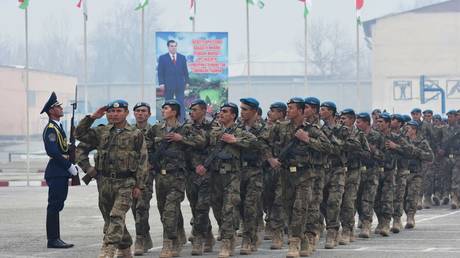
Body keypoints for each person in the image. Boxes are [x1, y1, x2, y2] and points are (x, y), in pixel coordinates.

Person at [75, 100, 149, 258]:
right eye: (111, 112)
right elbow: (79, 134)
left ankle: (108, 248)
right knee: (109, 218)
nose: (114, 115)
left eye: (118, 111)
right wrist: (93, 117)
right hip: (104, 182)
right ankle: (125, 245)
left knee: (116, 215)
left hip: (126, 183)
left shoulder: (135, 134)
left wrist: (139, 186)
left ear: (126, 113)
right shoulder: (101, 132)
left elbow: (143, 161)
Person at [195, 102, 256, 258]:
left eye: (225, 111)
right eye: (220, 111)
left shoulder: (240, 131)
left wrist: (235, 141)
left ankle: (227, 242)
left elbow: (255, 143)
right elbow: (200, 146)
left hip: (232, 176)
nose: (221, 114)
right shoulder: (213, 131)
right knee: (217, 208)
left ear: (233, 115)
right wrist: (200, 165)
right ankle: (227, 232)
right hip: (214, 176)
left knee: (229, 208)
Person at [146, 99, 205, 258]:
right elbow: (146, 145)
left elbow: (201, 142)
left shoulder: (186, 128)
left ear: (174, 112)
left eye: (166, 108)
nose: (163, 110)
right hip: (160, 176)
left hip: (178, 176)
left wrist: (182, 139)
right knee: (163, 210)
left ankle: (169, 243)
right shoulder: (156, 128)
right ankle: (178, 234)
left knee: (170, 210)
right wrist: (150, 161)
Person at [40, 92, 76, 249]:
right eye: (58, 106)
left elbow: (63, 148)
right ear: (51, 110)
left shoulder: (57, 126)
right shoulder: (50, 129)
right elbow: (53, 151)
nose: (61, 108)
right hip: (57, 170)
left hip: (60, 170)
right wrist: (68, 165)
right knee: (54, 205)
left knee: (58, 204)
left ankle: (55, 238)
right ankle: (53, 239)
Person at [238, 98, 271, 255]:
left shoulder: (263, 127)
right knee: (239, 206)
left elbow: (259, 144)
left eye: (245, 109)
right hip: (237, 172)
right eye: (241, 109)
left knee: (250, 205)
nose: (242, 112)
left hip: (255, 171)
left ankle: (248, 239)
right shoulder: (237, 126)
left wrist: (236, 141)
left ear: (254, 111)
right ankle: (254, 227)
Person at [185, 99, 216, 255]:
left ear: (204, 110)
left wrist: (205, 166)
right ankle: (208, 234)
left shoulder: (213, 127)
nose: (192, 112)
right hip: (190, 173)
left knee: (202, 207)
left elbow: (211, 147)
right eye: (191, 110)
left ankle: (198, 239)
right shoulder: (186, 127)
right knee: (195, 208)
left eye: (195, 109)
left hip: (207, 173)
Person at [338, 109, 370, 245]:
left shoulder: (359, 135)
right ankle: (343, 226)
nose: (341, 121)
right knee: (336, 202)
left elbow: (367, 154)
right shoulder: (337, 132)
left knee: (349, 202)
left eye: (344, 118)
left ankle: (347, 229)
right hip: (338, 171)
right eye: (340, 118)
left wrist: (355, 150)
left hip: (353, 171)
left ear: (351, 120)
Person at [355, 112, 385, 238]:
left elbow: (384, 156)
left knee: (368, 199)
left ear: (367, 122)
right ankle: (362, 219)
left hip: (372, 171)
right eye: (356, 122)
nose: (357, 124)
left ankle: (367, 224)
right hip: (358, 171)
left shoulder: (377, 136)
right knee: (357, 199)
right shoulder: (355, 136)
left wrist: (374, 151)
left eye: (359, 122)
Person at [131, 102, 154, 255]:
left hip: (148, 174)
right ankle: (145, 235)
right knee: (134, 207)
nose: (140, 113)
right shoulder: (129, 131)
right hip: (131, 174)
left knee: (142, 206)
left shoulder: (154, 131)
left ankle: (140, 238)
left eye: (143, 111)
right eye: (138, 111)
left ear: (149, 114)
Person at [404, 120, 434, 229]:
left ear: (414, 130)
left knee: (412, 196)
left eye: (409, 128)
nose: (406, 130)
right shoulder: (402, 140)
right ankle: (407, 214)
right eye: (406, 128)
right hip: (402, 173)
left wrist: (416, 151)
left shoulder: (422, 142)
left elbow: (430, 156)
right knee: (403, 197)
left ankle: (410, 217)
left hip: (416, 173)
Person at [158, 40, 190, 120]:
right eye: (171, 46)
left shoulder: (182, 57)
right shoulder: (162, 58)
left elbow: (185, 71)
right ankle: (167, 119)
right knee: (168, 103)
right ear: (168, 47)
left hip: (180, 84)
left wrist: (187, 82)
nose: (173, 47)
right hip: (168, 84)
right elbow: (160, 72)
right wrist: (161, 83)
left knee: (181, 102)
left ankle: (181, 120)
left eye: (175, 46)